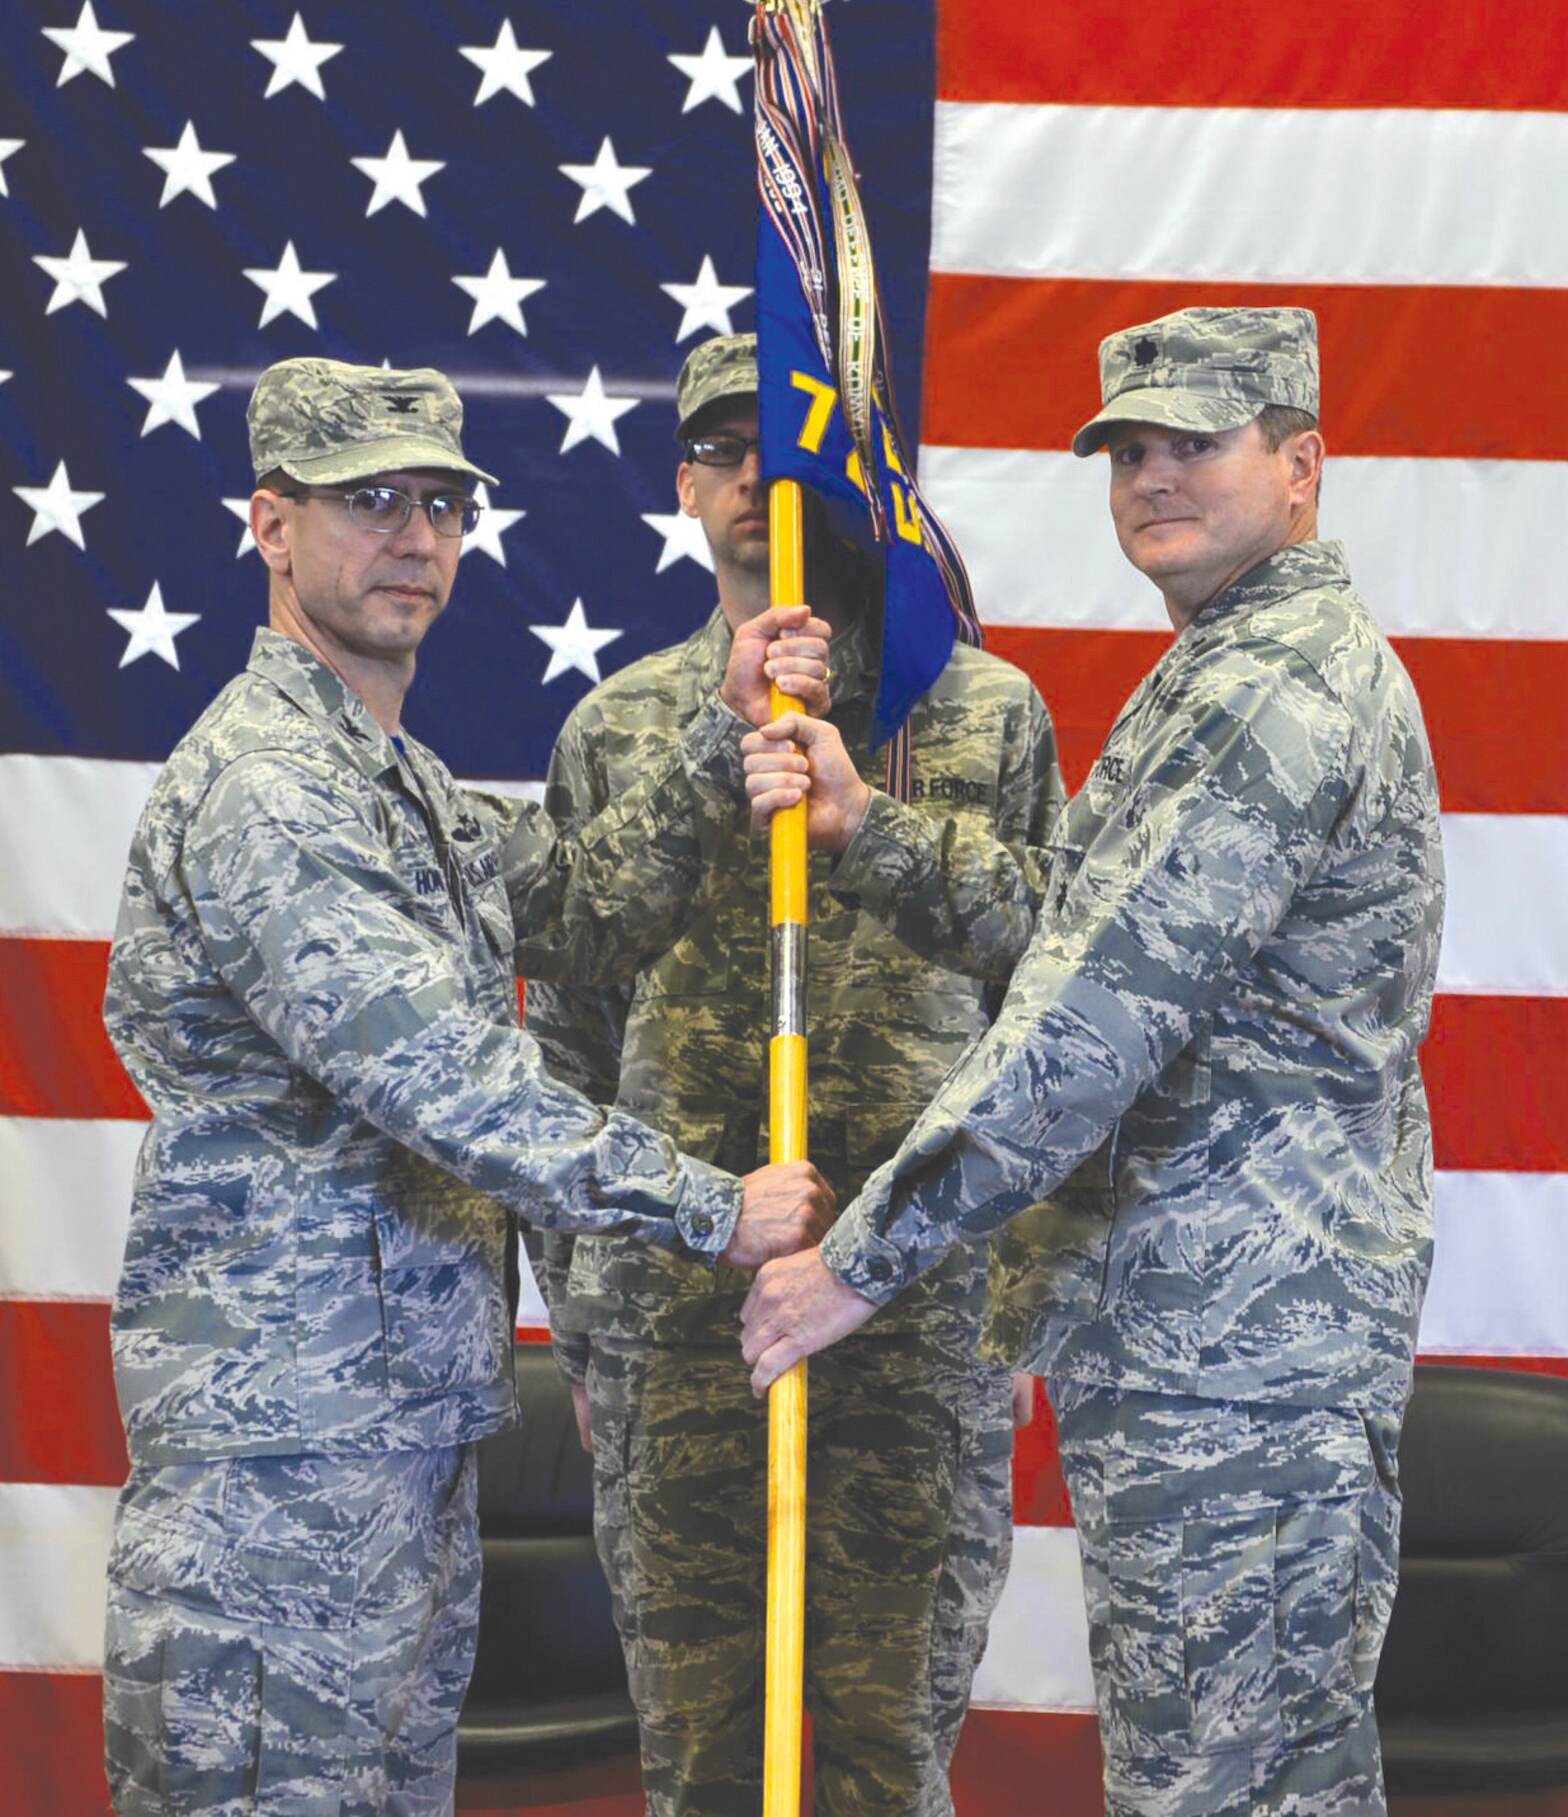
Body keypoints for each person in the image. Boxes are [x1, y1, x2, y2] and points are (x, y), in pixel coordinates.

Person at [99, 356, 835, 1817]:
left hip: (396, 1429)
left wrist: (720, 726)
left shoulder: (402, 782)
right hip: (280, 1452)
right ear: (271, 525)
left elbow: (578, 916)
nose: (415, 538)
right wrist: (710, 1207)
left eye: (440, 503)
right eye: (369, 501)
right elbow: (445, 1078)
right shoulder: (274, 788)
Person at [738, 308, 1445, 1817]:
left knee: (1229, 1792)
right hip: (1215, 1344)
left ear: (1304, 465)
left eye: (1197, 441)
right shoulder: (1224, 668)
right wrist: (875, 831)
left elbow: (1090, 1026)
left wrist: (854, 1265)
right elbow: (1079, 931)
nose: (1152, 476)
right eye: (1127, 448)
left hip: (1241, 1359)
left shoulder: (1275, 690)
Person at [523, 332, 1064, 1817]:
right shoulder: (621, 727)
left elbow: (1055, 1002)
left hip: (921, 1314)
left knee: (891, 1755)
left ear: (860, 473)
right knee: (702, 1759)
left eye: (795, 445)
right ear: (687, 484)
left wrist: (1009, 1303)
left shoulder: (983, 715)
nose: (760, 475)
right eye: (722, 449)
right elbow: (557, 1041)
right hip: (677, 1319)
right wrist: (582, 1319)